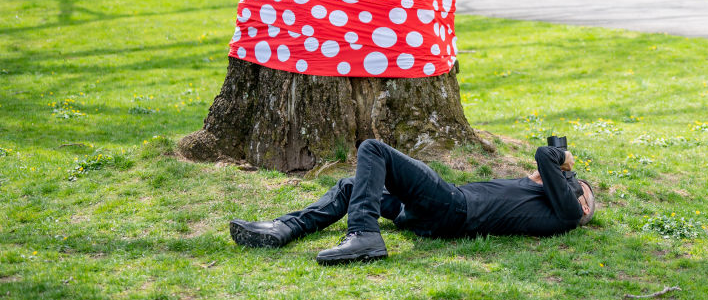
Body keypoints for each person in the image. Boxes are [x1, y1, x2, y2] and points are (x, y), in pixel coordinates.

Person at [229, 140, 596, 265]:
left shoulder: (565, 214)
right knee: (350, 185)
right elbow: (542, 171)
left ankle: (364, 235)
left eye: (578, 190)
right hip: (428, 214)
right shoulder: (539, 199)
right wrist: (546, 176)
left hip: (451, 208)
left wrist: (564, 162)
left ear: (581, 206)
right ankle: (285, 228)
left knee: (373, 150)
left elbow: (544, 156)